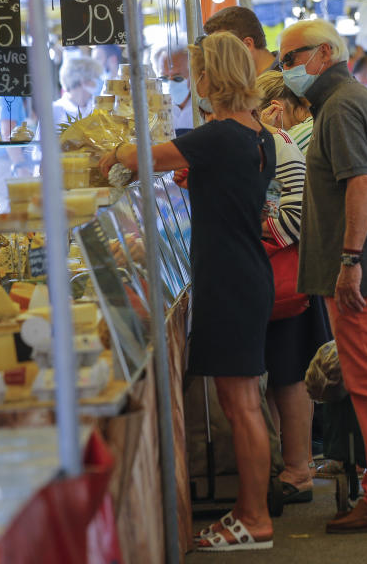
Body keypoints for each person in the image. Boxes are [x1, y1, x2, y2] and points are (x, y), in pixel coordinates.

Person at [99, 32, 277, 551]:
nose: (193, 80)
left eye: (197, 71)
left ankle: (255, 517)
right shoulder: (254, 132)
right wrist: (196, 178)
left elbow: (138, 156)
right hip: (243, 271)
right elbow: (229, 184)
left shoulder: (217, 134)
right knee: (240, 398)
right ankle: (248, 510)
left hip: (229, 277)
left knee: (241, 402)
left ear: (211, 77)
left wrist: (109, 148)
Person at [278, 18, 367, 533]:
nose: (284, 68)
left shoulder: (340, 108)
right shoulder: (356, 101)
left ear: (321, 54)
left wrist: (350, 261)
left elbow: (361, 182)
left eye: (289, 58)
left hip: (361, 272)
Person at [254, 83, 332, 505]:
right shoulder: (263, 140)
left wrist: (250, 228)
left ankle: (298, 469)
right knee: (277, 377)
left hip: (283, 281)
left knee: (288, 376)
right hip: (269, 279)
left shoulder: (278, 144)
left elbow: (297, 217)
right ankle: (286, 465)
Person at [204, 5, 281, 75]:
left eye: (223, 48)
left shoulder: (285, 83)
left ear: (247, 44)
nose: (220, 58)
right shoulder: (247, 83)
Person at [257, 70, 314, 155]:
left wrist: (264, 132)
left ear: (274, 109)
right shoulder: (316, 121)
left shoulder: (291, 140)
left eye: (257, 118)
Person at [152, 43, 194, 136]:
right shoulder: (152, 111)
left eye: (177, 78)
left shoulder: (205, 108)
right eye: (164, 78)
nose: (170, 84)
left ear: (193, 75)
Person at [52, 57, 102, 126]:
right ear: (83, 80)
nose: (98, 82)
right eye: (96, 78)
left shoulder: (97, 109)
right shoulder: (54, 111)